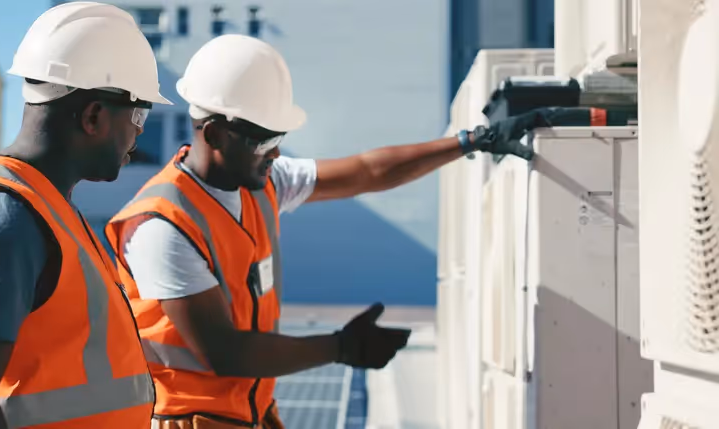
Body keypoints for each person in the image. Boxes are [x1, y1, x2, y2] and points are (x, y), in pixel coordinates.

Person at [105, 34, 575, 429]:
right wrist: (341, 347)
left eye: (279, 138)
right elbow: (226, 353)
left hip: (249, 414)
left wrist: (472, 140)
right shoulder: (161, 227)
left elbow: (368, 171)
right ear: (215, 134)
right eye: (264, 140)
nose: (275, 152)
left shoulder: (262, 183)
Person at [0, 3, 173, 429]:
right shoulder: (3, 218)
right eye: (139, 114)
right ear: (93, 116)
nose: (140, 131)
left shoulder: (48, 208)